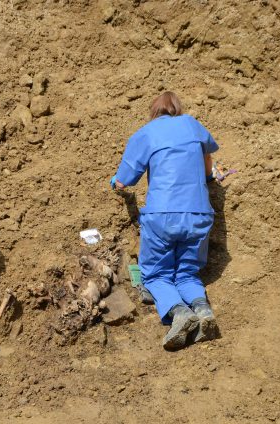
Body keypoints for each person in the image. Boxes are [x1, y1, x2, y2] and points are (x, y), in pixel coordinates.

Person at [110, 91, 219, 351]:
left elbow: (125, 180)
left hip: (163, 216)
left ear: (154, 112)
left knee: (156, 274)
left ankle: (179, 313)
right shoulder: (193, 125)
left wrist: (116, 183)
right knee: (187, 272)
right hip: (199, 214)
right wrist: (212, 177)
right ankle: (203, 311)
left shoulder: (146, 133)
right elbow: (207, 164)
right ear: (177, 110)